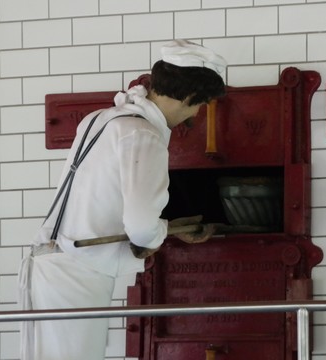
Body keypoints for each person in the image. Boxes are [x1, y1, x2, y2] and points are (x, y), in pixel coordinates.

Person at [18, 39, 227, 360]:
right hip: (77, 274)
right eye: (199, 105)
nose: (197, 113)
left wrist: (168, 228)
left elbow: (104, 199)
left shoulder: (100, 118)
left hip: (49, 262)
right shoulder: (144, 135)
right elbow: (142, 228)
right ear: (188, 96)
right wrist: (157, 233)